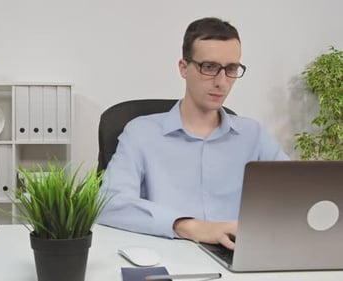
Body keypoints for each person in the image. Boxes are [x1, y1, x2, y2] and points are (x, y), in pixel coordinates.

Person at [97, 17, 289, 250]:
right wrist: (188, 226)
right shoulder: (141, 132)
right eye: (209, 67)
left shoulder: (254, 135)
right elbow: (109, 204)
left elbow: (296, 197)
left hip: (238, 256)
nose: (222, 82)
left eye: (230, 69)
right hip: (168, 255)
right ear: (183, 68)